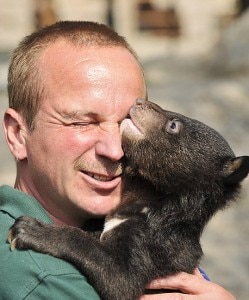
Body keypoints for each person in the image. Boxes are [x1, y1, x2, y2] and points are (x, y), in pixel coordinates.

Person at [0, 21, 235, 299]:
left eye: (126, 124)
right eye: (81, 122)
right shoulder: (47, 280)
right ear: (17, 134)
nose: (115, 150)